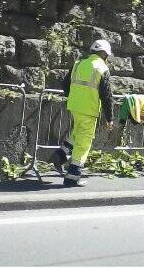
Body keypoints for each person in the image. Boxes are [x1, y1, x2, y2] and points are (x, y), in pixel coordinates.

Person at [48, 39, 114, 186]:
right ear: (105, 54)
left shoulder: (78, 64)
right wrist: (109, 118)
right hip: (88, 110)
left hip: (75, 107)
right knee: (83, 144)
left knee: (77, 133)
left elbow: (65, 84)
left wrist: (74, 97)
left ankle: (60, 155)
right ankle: (72, 178)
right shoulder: (102, 69)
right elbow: (107, 96)